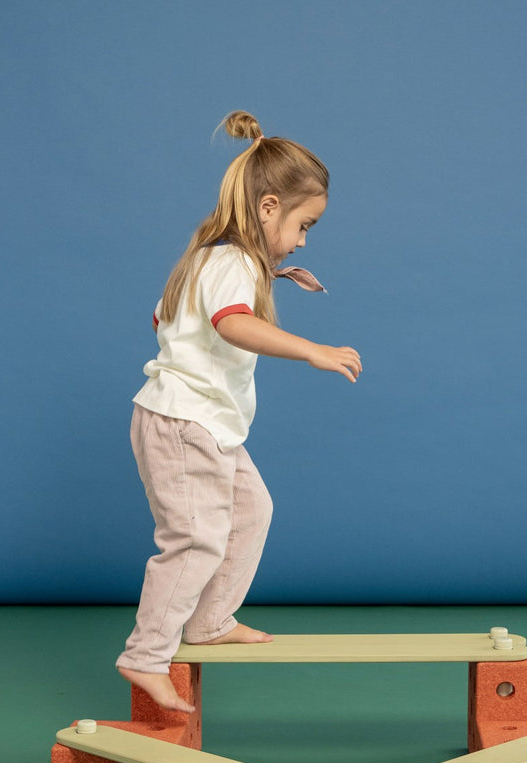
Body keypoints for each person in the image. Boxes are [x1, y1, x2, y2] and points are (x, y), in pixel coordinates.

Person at [116, 110, 361, 712]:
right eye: (304, 225)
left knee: (251, 511)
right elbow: (232, 324)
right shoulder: (234, 262)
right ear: (269, 207)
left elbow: (162, 318)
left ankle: (209, 621)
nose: (303, 241)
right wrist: (312, 350)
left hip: (205, 424)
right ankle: (146, 655)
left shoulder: (203, 258)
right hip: (184, 423)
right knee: (195, 539)